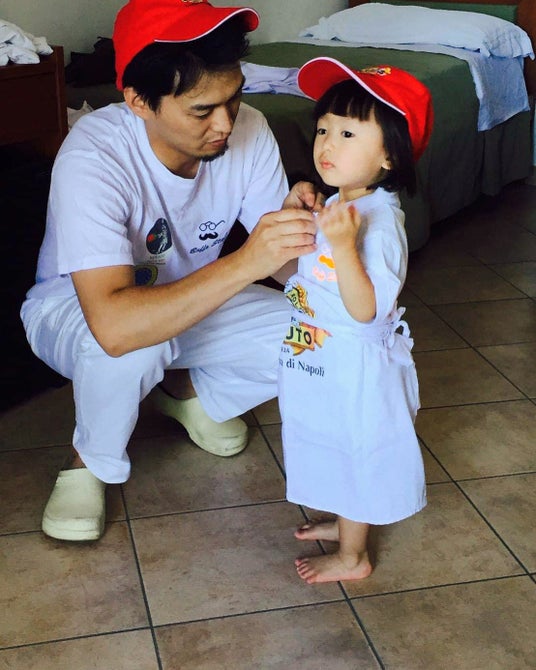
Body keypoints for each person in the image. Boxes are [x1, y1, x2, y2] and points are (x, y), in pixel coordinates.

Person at [20, 0, 321, 542]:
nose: (225, 124)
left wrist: (313, 235)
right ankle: (88, 460)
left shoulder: (249, 129)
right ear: (138, 101)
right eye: (202, 110)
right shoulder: (94, 154)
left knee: (322, 335)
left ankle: (183, 388)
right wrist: (249, 259)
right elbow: (114, 325)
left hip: (194, 301)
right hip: (77, 311)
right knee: (136, 344)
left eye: (234, 97)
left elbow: (288, 270)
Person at [277, 57, 434, 583]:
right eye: (324, 129)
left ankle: (353, 556)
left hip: (354, 363)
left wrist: (343, 246)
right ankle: (347, 519)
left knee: (355, 448)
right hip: (320, 351)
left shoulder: (380, 224)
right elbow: (297, 273)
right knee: (324, 436)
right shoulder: (342, 204)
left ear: (390, 155)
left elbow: (367, 309)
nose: (327, 143)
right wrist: (298, 216)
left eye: (347, 133)